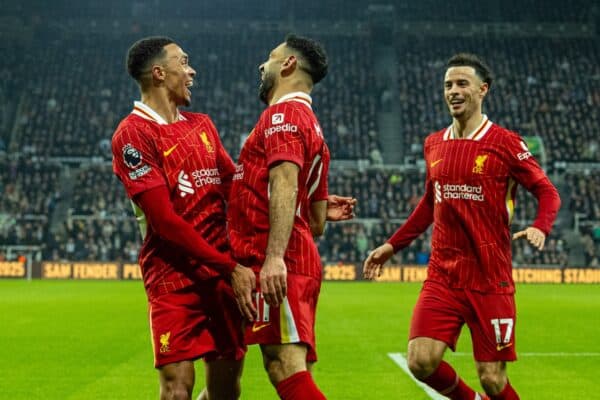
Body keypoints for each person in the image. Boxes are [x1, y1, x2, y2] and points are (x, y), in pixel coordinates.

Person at [363, 53, 561, 400]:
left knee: (493, 379)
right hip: (444, 276)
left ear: (482, 90)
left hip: (489, 277)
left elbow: (547, 191)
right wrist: (392, 245)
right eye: (448, 85)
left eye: (462, 84)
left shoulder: (506, 143)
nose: (453, 91)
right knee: (420, 361)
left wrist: (541, 226)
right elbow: (429, 203)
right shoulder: (433, 144)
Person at [111, 36, 256, 400]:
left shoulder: (202, 125)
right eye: (184, 62)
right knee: (177, 390)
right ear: (159, 73)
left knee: (225, 391)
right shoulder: (132, 134)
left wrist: (301, 201)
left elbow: (235, 185)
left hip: (222, 275)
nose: (191, 71)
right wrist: (231, 268)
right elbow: (165, 222)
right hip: (172, 276)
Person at [227, 34, 355, 400]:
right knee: (290, 367)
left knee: (283, 366)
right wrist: (313, 207)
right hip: (297, 257)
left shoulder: (281, 115)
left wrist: (273, 258)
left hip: (278, 259)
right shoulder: (311, 123)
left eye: (270, 57)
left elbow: (283, 181)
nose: (261, 65)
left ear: (287, 65)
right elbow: (315, 220)